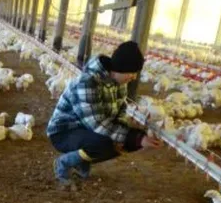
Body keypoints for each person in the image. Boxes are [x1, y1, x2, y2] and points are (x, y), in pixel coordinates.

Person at [47, 40, 161, 188]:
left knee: (126, 141)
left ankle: (81, 160)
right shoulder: (87, 82)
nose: (134, 77)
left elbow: (120, 112)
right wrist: (133, 136)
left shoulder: (119, 84)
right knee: (106, 142)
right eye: (132, 72)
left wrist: (138, 136)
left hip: (86, 130)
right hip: (64, 132)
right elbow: (98, 124)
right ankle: (64, 163)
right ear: (121, 68)